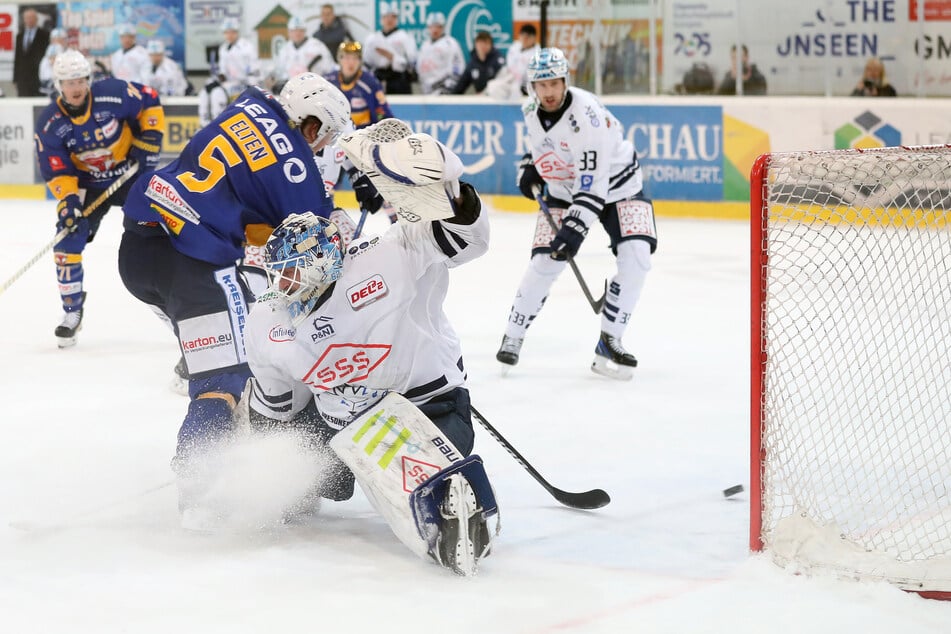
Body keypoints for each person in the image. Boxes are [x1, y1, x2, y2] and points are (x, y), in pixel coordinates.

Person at [242, 121, 497, 575]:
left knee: (434, 482)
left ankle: (451, 515)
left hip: (425, 407)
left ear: (324, 265)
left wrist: (450, 193)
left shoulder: (386, 255)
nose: (284, 286)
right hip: (345, 430)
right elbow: (275, 407)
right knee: (302, 490)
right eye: (279, 274)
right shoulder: (267, 319)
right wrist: (264, 472)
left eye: (294, 273)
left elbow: (466, 240)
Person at [117, 73, 352, 519]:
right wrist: (335, 219)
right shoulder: (298, 168)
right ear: (312, 124)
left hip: (139, 247)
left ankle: (201, 355)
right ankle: (198, 491)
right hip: (193, 262)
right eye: (323, 137)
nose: (320, 148)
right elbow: (313, 244)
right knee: (228, 379)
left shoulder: (248, 104)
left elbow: (246, 205)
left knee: (240, 323)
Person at [496, 48, 656, 380]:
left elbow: (593, 186)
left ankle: (610, 338)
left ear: (566, 81)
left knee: (637, 256)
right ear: (532, 88)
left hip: (618, 184)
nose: (549, 92)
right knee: (545, 262)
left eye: (555, 83)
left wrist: (573, 231)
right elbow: (545, 143)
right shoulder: (530, 109)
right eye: (542, 85)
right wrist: (532, 166)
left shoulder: (587, 119)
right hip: (562, 188)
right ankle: (513, 333)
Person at [34, 49, 165, 347]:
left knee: (161, 232)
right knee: (67, 238)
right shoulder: (50, 123)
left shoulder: (114, 93)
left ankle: (175, 303)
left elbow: (151, 101)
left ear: (89, 79)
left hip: (129, 174)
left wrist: (150, 139)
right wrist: (68, 202)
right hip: (88, 184)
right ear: (58, 85)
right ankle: (72, 311)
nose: (76, 87)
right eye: (68, 82)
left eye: (80, 80)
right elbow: (57, 170)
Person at [363, 2, 417, 95]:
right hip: (378, 77)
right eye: (386, 17)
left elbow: (411, 62)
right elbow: (366, 61)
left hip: (398, 79)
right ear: (381, 19)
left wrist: (392, 57)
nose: (389, 20)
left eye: (393, 17)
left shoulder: (405, 37)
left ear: (396, 19)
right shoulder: (372, 38)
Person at [273, 15, 334, 91]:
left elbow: (330, 69)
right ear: (289, 32)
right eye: (294, 30)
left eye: (300, 30)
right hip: (292, 90)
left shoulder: (317, 46)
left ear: (305, 31)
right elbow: (280, 73)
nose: (297, 33)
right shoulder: (285, 50)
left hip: (315, 89)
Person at [486, 23, 538, 100]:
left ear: (534, 38)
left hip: (527, 87)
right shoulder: (514, 47)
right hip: (510, 80)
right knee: (492, 86)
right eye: (523, 35)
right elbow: (509, 66)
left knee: (515, 92)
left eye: (528, 37)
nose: (525, 39)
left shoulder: (538, 54)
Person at [416, 12, 465, 95]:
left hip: (442, 90)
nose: (435, 30)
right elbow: (419, 67)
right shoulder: (425, 45)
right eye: (432, 26)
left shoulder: (450, 43)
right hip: (426, 91)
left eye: (438, 26)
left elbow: (458, 67)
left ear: (443, 27)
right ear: (428, 27)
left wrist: (449, 87)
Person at [451, 30, 505, 95]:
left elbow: (503, 81)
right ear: (476, 44)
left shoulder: (498, 60)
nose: (483, 46)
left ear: (491, 45)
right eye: (480, 42)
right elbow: (461, 86)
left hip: (497, 97)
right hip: (481, 99)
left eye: (486, 43)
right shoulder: (472, 64)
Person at [216, 18, 260, 92]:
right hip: (230, 84)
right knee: (213, 91)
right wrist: (220, 80)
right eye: (226, 33)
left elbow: (254, 69)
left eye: (232, 32)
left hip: (247, 84)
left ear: (237, 32)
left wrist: (251, 86)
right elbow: (222, 70)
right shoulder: (223, 48)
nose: (229, 35)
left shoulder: (247, 47)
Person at [14, 9, 50, 96]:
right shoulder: (19, 36)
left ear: (36, 19)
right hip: (22, 79)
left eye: (31, 17)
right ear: (24, 20)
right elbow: (17, 58)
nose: (29, 20)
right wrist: (15, 79)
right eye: (27, 18)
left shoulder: (44, 35)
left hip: (37, 77)